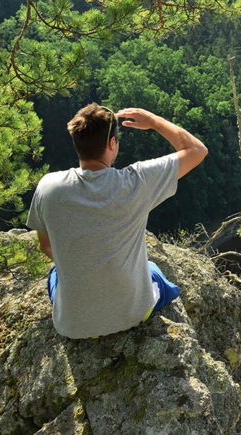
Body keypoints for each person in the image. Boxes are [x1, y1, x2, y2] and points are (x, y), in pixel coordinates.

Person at [26, 103, 208, 339]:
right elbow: (196, 150)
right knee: (153, 271)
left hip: (73, 326)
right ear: (112, 144)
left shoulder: (48, 187)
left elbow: (46, 246)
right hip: (134, 314)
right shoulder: (136, 182)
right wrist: (152, 120)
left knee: (55, 275)